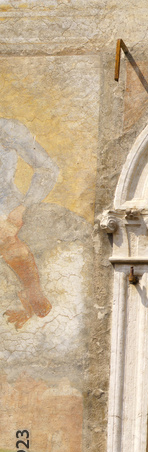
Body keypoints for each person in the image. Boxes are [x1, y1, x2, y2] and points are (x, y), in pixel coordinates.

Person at [0, 118, 56, 329]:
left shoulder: (7, 130)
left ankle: (33, 293)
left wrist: (24, 207)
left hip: (6, 208)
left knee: (5, 236)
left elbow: (47, 169)